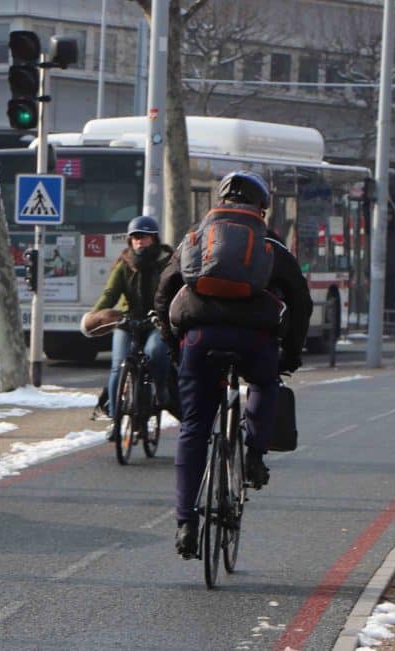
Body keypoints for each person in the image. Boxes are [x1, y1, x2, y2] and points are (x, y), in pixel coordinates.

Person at [154, 171, 312, 559]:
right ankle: (255, 458)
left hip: (199, 339)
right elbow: (302, 300)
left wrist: (175, 345)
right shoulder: (270, 243)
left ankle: (186, 524)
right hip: (254, 339)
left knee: (193, 428)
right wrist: (289, 354)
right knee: (263, 382)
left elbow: (165, 292)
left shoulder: (197, 237)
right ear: (261, 206)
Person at [84, 216, 175, 439]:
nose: (139, 242)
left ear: (154, 239)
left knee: (155, 353)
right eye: (134, 238)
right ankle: (115, 421)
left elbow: (174, 293)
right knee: (119, 365)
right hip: (128, 321)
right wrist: (95, 316)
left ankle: (161, 391)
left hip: (157, 321)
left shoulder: (167, 262)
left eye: (143, 237)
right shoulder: (124, 264)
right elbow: (109, 294)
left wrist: (167, 318)